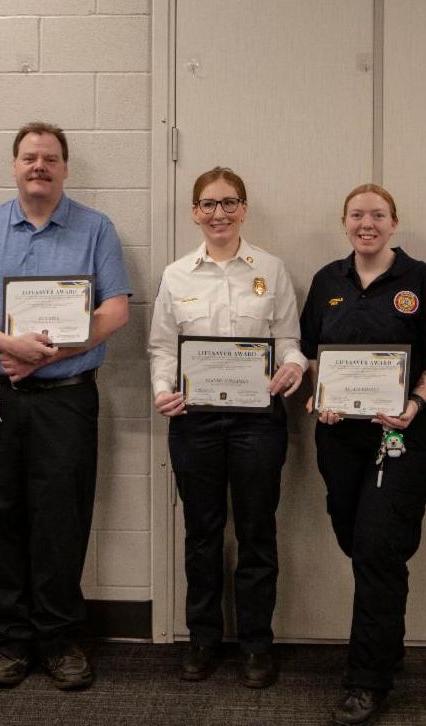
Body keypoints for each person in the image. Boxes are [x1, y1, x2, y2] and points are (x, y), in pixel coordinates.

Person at [0, 121, 131, 691]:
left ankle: (58, 638)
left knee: (61, 517)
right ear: (14, 165)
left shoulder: (96, 228)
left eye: (50, 158)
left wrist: (47, 355)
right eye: (29, 157)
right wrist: (9, 345)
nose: (39, 166)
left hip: (66, 396)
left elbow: (115, 311)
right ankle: (10, 639)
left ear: (65, 168)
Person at [299, 184, 426, 725]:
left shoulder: (420, 280)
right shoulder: (328, 281)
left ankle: (366, 680)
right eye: (356, 215)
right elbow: (312, 354)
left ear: (394, 222)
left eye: (377, 215)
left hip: (403, 438)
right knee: (357, 541)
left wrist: (415, 403)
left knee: (376, 548)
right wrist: (320, 396)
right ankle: (386, 644)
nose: (366, 223)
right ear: (344, 222)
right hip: (339, 439)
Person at [147, 167, 306, 688]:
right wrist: (162, 389)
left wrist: (293, 367)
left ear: (244, 209)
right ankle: (203, 637)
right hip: (193, 420)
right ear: (195, 212)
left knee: (257, 531)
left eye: (229, 203)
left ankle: (257, 643)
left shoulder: (271, 269)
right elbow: (162, 347)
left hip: (257, 420)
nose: (220, 213)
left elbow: (289, 341)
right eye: (209, 204)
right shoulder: (176, 274)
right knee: (202, 532)